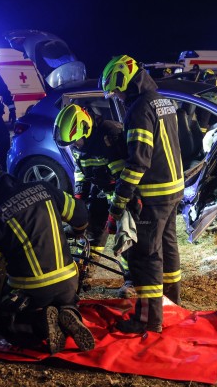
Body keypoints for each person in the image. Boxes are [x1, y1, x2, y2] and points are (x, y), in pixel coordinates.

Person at [0, 159, 95, 354]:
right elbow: (80, 215)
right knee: (64, 298)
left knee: (3, 319)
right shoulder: (44, 187)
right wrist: (77, 230)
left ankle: (39, 324)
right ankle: (68, 310)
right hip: (68, 281)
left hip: (31, 290)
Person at [101, 55, 184, 334]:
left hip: (153, 192)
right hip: (173, 189)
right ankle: (171, 302)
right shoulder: (162, 100)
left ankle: (148, 320)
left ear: (125, 81)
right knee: (168, 247)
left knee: (145, 255)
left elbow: (138, 161)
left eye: (118, 90)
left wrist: (120, 198)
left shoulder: (139, 108)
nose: (118, 96)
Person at [52, 103, 135, 296]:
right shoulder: (78, 143)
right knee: (92, 232)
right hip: (100, 191)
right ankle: (85, 271)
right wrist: (79, 196)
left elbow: (123, 175)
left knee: (125, 237)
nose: (74, 146)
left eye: (76, 141)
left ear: (86, 129)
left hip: (123, 192)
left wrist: (118, 207)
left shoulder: (109, 135)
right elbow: (81, 170)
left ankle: (132, 280)